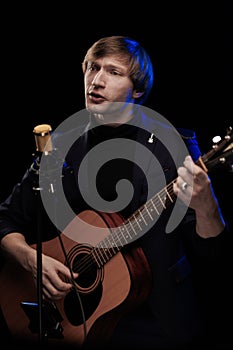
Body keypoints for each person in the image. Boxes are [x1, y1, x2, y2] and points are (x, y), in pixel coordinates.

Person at [0, 35, 232, 350]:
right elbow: (7, 220)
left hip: (157, 323)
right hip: (74, 320)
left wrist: (207, 208)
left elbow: (213, 255)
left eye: (113, 72)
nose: (96, 81)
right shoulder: (59, 144)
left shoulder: (173, 147)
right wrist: (32, 261)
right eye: (92, 68)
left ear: (137, 89)